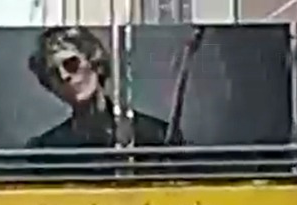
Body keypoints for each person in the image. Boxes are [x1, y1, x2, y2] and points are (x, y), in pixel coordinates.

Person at [26, 26, 183, 148]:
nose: (64, 76)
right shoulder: (46, 150)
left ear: (95, 63)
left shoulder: (156, 136)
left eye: (71, 64)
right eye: (53, 73)